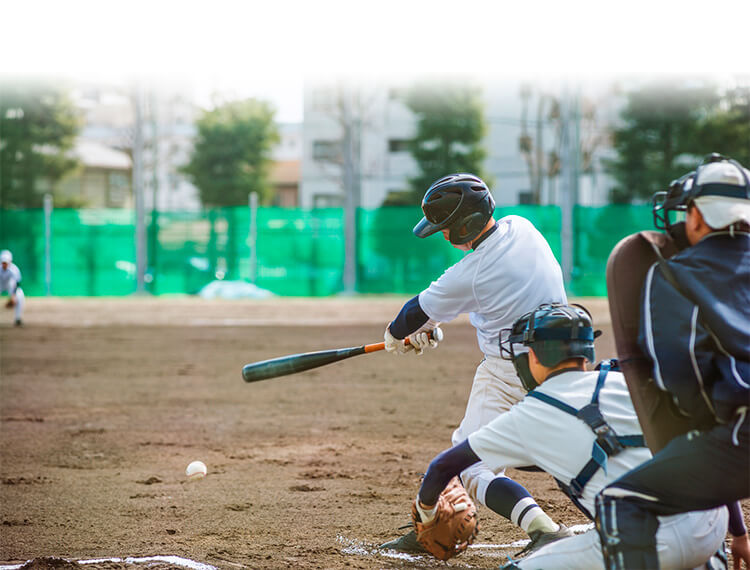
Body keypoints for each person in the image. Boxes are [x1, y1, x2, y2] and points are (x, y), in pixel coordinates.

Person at [409, 303, 728, 568]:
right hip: (713, 520)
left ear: (532, 357)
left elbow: (443, 467)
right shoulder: (624, 381)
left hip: (648, 539)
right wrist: (738, 534)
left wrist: (426, 514)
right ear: (586, 352)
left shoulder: (529, 414)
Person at [380, 173, 572, 554]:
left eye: (446, 228)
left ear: (464, 226)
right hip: (567, 367)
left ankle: (542, 528)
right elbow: (454, 308)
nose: (444, 235)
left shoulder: (472, 272)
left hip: (510, 374)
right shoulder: (523, 228)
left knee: (469, 465)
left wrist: (397, 337)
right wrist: (428, 328)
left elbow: (412, 313)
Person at [596, 154, 750, 569]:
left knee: (620, 502)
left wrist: (703, 426)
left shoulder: (677, 273)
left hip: (742, 436)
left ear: (698, 216)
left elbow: (680, 372)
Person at [0, 249, 24, 327]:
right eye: (3, 262)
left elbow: (17, 283)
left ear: (10, 261)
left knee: (20, 295)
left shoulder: (14, 269)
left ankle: (18, 318)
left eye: (6, 262)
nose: (4, 264)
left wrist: (13, 296)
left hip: (10, 285)